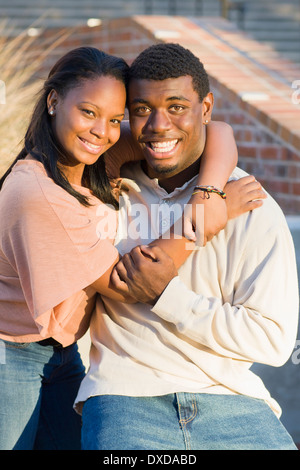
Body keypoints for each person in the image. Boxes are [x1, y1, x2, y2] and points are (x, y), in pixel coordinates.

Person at [0, 45, 257, 450]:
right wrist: (206, 219)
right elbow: (130, 284)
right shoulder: (37, 193)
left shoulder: (94, 158)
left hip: (62, 356)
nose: (102, 131)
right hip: (11, 356)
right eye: (88, 112)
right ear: (53, 101)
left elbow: (216, 132)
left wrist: (206, 191)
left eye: (116, 118)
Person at [77, 43, 299, 451]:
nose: (158, 125)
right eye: (142, 109)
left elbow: (274, 340)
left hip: (233, 401)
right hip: (126, 395)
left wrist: (169, 296)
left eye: (177, 106)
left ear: (207, 107)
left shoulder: (249, 203)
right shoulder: (104, 193)